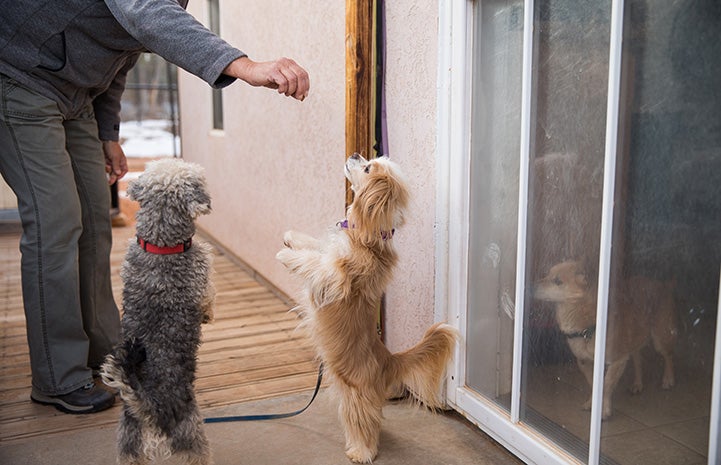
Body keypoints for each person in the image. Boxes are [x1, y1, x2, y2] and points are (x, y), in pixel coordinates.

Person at [0, 0, 309, 414]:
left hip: (75, 98)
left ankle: (105, 353)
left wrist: (109, 132)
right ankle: (58, 376)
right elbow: (146, 14)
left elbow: (123, 51)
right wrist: (244, 65)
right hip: (18, 78)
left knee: (94, 221)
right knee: (57, 224)